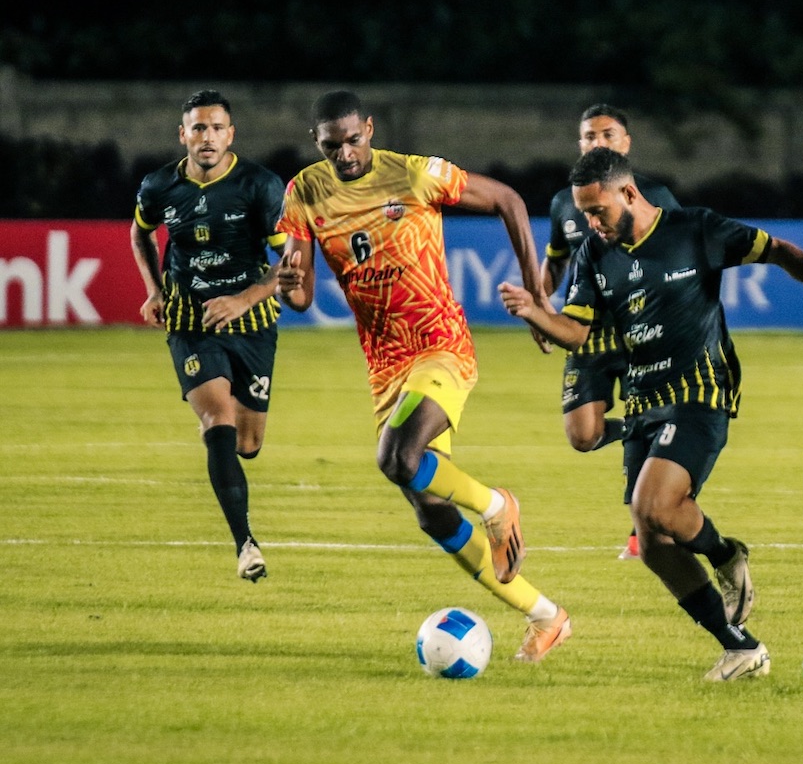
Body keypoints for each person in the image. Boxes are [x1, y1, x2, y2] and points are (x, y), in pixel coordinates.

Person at [500, 147, 803, 681]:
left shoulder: (696, 229)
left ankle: (725, 556)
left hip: (700, 390)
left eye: (598, 211)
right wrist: (538, 313)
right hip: (644, 397)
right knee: (652, 542)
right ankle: (740, 647)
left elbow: (776, 250)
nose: (591, 224)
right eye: (583, 214)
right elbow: (580, 333)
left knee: (653, 505)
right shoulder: (594, 255)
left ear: (629, 193)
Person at [274, 89, 570, 663]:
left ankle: (497, 506)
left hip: (439, 345)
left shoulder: (416, 176)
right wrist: (289, 287)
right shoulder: (305, 192)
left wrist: (538, 294)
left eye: (354, 140)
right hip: (385, 366)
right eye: (332, 145)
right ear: (318, 142)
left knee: (396, 458)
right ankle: (546, 616)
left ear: (370, 129)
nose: (345, 154)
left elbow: (508, 199)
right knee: (430, 510)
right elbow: (304, 295)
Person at [130, 89, 286, 583]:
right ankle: (246, 545)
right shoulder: (159, 186)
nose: (207, 137)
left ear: (231, 134)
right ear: (183, 135)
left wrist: (243, 300)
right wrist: (154, 290)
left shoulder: (260, 186)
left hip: (252, 321)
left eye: (217, 127)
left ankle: (228, 448)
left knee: (248, 442)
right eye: (198, 128)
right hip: (190, 320)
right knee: (216, 418)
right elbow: (139, 233)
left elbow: (290, 261)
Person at [541, 104, 682, 561]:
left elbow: (681, 255)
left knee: (646, 421)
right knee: (582, 436)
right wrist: (541, 307)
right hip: (586, 331)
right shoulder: (567, 201)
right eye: (588, 136)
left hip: (643, 331)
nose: (597, 142)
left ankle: (639, 539)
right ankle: (644, 430)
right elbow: (556, 257)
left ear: (626, 142)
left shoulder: (654, 195)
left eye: (607, 134)